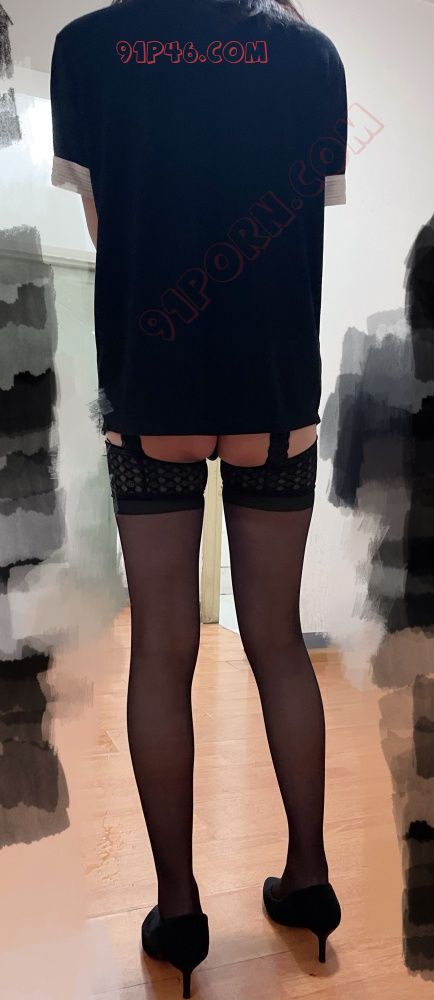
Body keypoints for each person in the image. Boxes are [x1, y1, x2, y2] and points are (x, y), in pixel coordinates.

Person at [50, 0, 348, 995]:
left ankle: (178, 912)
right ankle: (309, 880)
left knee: (162, 648)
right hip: (273, 387)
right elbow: (299, 220)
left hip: (154, 383)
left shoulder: (88, 48)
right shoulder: (311, 53)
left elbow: (110, 225)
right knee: (278, 639)